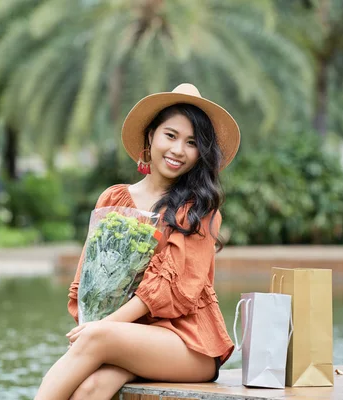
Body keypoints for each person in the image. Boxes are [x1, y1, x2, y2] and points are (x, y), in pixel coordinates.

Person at [35, 83, 240, 400]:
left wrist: (102, 330)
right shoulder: (114, 198)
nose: (177, 150)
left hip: (190, 345)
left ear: (201, 153)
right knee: (91, 389)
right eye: (170, 136)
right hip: (129, 338)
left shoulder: (200, 210)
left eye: (192, 143)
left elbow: (175, 290)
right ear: (151, 135)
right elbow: (91, 277)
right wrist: (96, 324)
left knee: (96, 341)